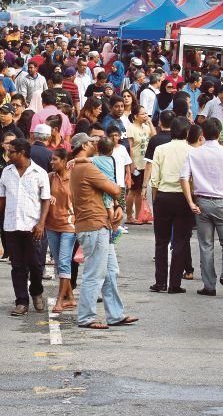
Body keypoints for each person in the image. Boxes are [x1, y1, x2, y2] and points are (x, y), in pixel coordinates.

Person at [69, 133, 137, 329]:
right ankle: (86, 317)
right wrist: (117, 202)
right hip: (94, 224)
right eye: (91, 142)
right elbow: (115, 188)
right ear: (84, 145)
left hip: (98, 224)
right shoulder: (86, 168)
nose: (94, 144)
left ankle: (115, 314)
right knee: (95, 273)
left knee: (110, 271)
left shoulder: (83, 165)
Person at [180, 117, 223, 297]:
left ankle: (209, 285)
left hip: (202, 203)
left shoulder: (194, 153)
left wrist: (191, 202)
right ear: (219, 132)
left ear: (202, 134)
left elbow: (184, 177)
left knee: (206, 245)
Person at [0, 138, 51, 316]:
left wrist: (41, 223)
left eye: (12, 152)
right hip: (11, 226)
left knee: (36, 265)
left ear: (22, 153)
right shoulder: (7, 172)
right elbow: (0, 198)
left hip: (32, 226)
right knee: (17, 266)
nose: (8, 155)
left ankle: (36, 291)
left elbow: (46, 201)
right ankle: (21, 301)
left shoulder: (39, 173)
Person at [151, 117, 195, 293]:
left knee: (161, 242)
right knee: (180, 241)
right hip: (183, 198)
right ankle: (174, 283)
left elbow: (155, 178)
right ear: (186, 132)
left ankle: (160, 281)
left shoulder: (160, 149)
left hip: (163, 196)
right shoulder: (192, 151)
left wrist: (156, 199)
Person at [41, 148, 76, 312]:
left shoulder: (74, 178)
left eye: (55, 159)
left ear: (64, 160)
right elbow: (40, 197)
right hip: (51, 225)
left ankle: (60, 300)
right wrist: (48, 197)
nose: (52, 162)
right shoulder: (49, 178)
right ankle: (70, 297)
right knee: (58, 263)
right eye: (51, 159)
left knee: (63, 261)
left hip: (69, 224)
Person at [125, 105, 154, 224]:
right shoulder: (131, 128)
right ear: (135, 116)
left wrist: (150, 123)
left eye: (146, 113)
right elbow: (130, 147)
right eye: (142, 114)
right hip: (136, 163)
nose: (145, 115)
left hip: (145, 164)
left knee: (142, 190)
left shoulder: (146, 127)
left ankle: (140, 215)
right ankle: (130, 216)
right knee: (134, 190)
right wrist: (131, 163)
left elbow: (154, 136)